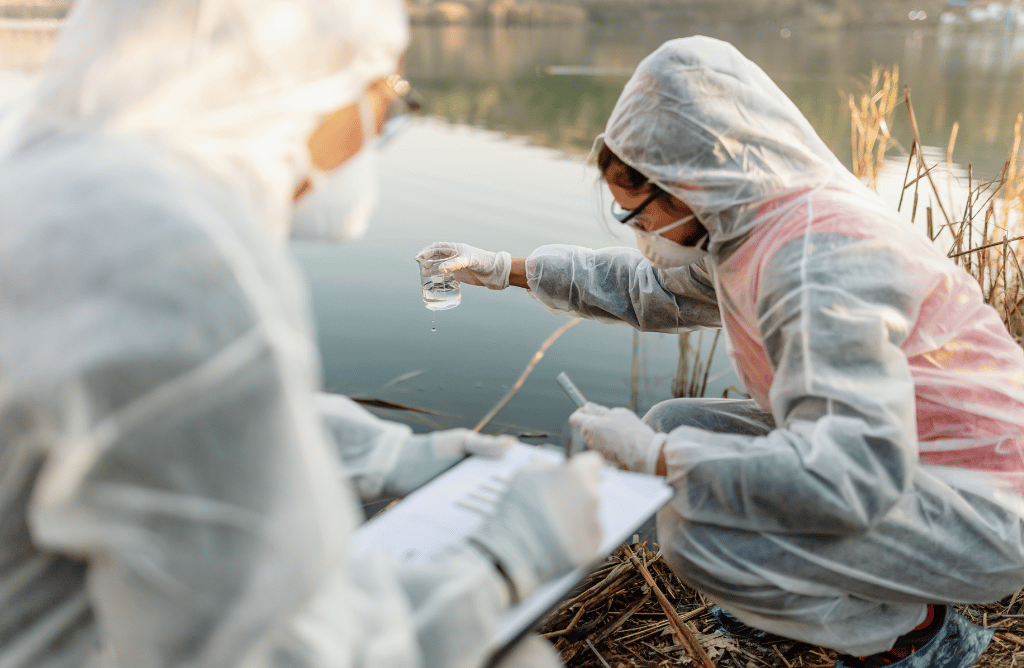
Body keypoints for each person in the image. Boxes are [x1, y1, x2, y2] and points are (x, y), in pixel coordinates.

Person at [0, 1, 606, 667]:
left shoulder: (53, 194)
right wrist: (499, 562)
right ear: (302, 79)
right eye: (385, 95)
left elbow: (153, 424)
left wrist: (379, 456)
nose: (382, 125)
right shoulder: (174, 259)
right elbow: (282, 655)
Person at [417, 36, 1024, 668]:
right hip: (908, 453)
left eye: (637, 215)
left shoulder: (815, 262)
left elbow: (849, 478)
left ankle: (917, 637)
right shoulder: (755, 222)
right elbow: (649, 289)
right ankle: (819, 596)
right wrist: (501, 269)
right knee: (675, 424)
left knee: (698, 538)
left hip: (981, 504)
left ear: (689, 183)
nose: (640, 232)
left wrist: (660, 461)